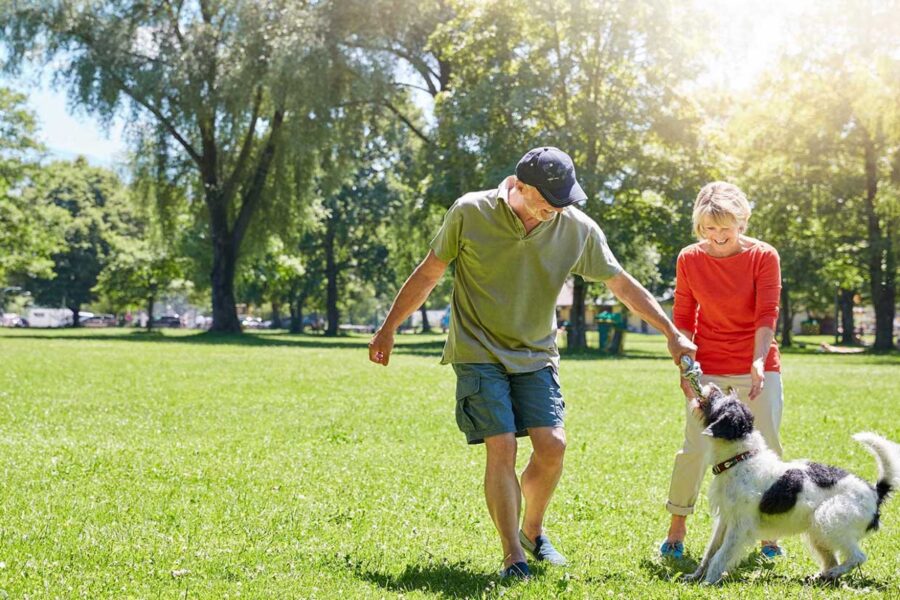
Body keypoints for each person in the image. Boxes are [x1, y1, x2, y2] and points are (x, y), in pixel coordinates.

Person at [368, 147, 696, 579]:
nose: (557, 210)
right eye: (548, 200)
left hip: (536, 353)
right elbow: (429, 272)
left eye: (564, 200)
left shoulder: (575, 227)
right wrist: (389, 326)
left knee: (552, 446)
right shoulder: (471, 211)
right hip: (478, 349)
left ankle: (532, 531)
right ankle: (512, 557)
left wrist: (670, 332)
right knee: (501, 444)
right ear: (520, 186)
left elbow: (620, 283)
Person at [660, 181, 785, 560]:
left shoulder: (763, 256)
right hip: (708, 368)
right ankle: (677, 531)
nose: (717, 237)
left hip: (756, 366)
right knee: (695, 448)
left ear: (742, 222)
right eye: (708, 229)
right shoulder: (689, 259)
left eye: (725, 229)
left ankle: (769, 535)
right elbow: (683, 317)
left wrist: (759, 360)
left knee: (766, 447)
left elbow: (767, 314)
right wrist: (685, 366)